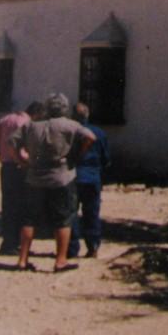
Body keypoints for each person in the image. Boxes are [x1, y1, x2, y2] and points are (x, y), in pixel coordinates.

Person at [13, 92, 95, 273]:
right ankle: (60, 260)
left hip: (34, 177)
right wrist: (77, 155)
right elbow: (90, 137)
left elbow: (12, 141)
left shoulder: (31, 125)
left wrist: (21, 161)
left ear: (46, 108)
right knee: (63, 219)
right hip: (61, 176)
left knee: (29, 219)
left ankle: (22, 260)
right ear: (65, 108)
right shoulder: (71, 125)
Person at [0, 101, 44, 254]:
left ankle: (8, 242)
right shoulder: (27, 124)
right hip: (21, 167)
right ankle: (18, 244)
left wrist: (0, 156)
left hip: (6, 167)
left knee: (8, 205)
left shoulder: (6, 119)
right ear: (37, 114)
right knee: (23, 207)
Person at [70, 101, 111, 258]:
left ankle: (72, 248)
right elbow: (106, 159)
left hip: (74, 177)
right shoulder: (99, 133)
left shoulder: (71, 132)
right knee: (92, 213)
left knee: (71, 213)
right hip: (92, 178)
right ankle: (93, 246)